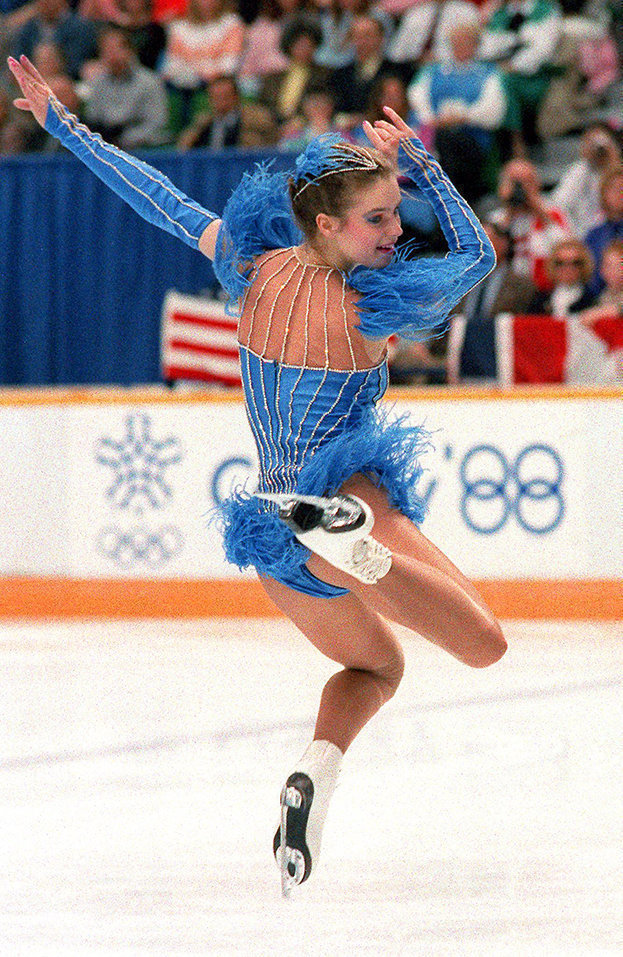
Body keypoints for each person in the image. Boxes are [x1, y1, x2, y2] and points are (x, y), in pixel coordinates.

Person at [8, 54, 507, 895]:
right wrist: (425, 161)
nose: (394, 233)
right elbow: (476, 257)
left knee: (375, 668)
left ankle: (317, 771)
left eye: (396, 214)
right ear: (324, 226)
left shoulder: (252, 268)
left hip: (275, 528)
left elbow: (156, 198)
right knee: (485, 646)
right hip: (352, 500)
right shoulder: (368, 303)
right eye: (378, 219)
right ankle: (362, 554)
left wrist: (67, 127)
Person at [407, 18, 507, 204]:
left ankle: (455, 200)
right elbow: (417, 96)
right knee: (439, 142)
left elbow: (493, 111)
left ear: (476, 45)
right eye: (457, 42)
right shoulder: (434, 70)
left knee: (451, 146)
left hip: (473, 140)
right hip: (435, 135)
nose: (460, 47)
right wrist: (433, 119)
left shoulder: (488, 73)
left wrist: (462, 117)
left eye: (466, 42)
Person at [490, 158, 571, 291]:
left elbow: (566, 249)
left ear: (537, 183)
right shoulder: (495, 220)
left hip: (543, 290)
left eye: (526, 182)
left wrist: (539, 210)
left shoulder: (552, 215)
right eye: (514, 182)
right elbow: (487, 257)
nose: (520, 189)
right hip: (505, 292)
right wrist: (508, 212)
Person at [84, 26, 169, 149]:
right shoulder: (98, 83)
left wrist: (124, 140)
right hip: (106, 147)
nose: (111, 55)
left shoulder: (150, 82)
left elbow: (157, 124)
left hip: (144, 149)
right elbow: (92, 119)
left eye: (116, 49)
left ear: (130, 51)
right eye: (106, 50)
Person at [549, 122, 622, 236]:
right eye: (593, 142)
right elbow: (559, 203)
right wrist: (586, 158)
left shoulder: (617, 168)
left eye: (602, 142)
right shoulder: (580, 169)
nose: (599, 149)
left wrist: (613, 159)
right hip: (583, 233)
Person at [177, 73, 278, 149]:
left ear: (235, 96)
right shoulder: (203, 122)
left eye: (224, 96)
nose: (220, 102)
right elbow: (183, 147)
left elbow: (271, 143)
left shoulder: (256, 118)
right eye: (215, 97)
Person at [583, 166, 623, 298]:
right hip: (598, 301)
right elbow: (587, 277)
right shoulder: (593, 235)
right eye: (614, 188)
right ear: (603, 194)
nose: (619, 193)